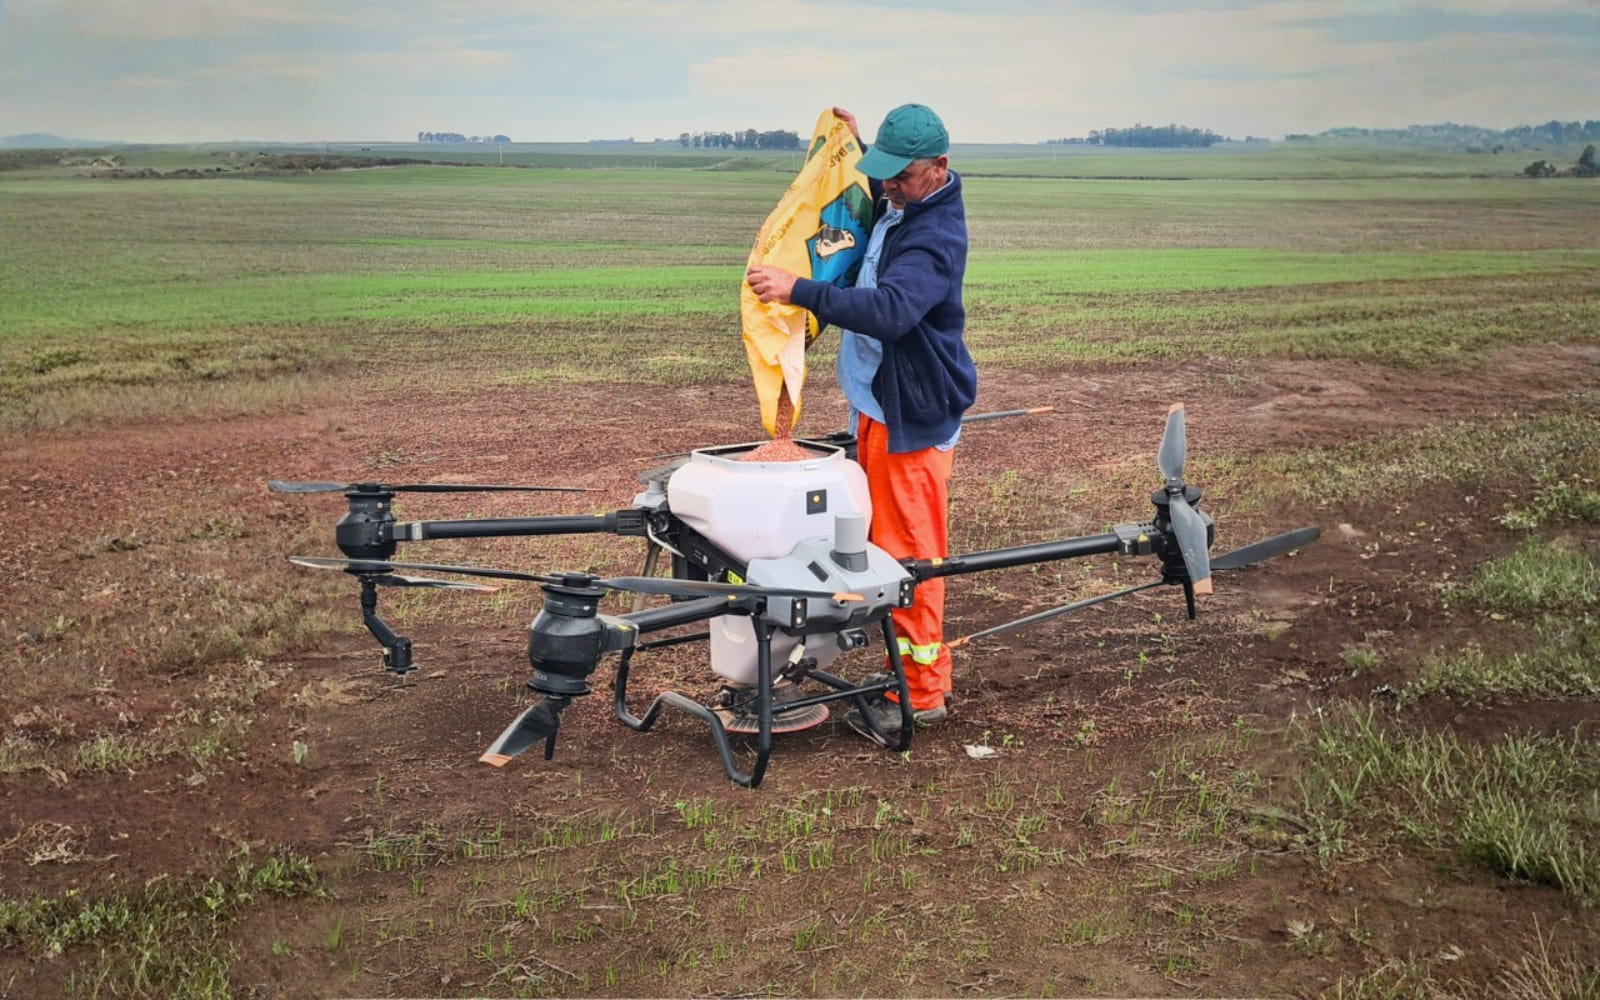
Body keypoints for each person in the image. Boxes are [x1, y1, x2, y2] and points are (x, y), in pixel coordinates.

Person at [746, 103, 976, 737]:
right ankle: (909, 676)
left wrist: (798, 290)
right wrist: (846, 143)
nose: (888, 186)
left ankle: (921, 694)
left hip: (911, 418)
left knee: (911, 558)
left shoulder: (934, 236)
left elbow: (892, 312)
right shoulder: (905, 201)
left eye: (901, 175)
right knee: (883, 548)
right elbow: (868, 187)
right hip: (878, 405)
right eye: (885, 172)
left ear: (939, 168)